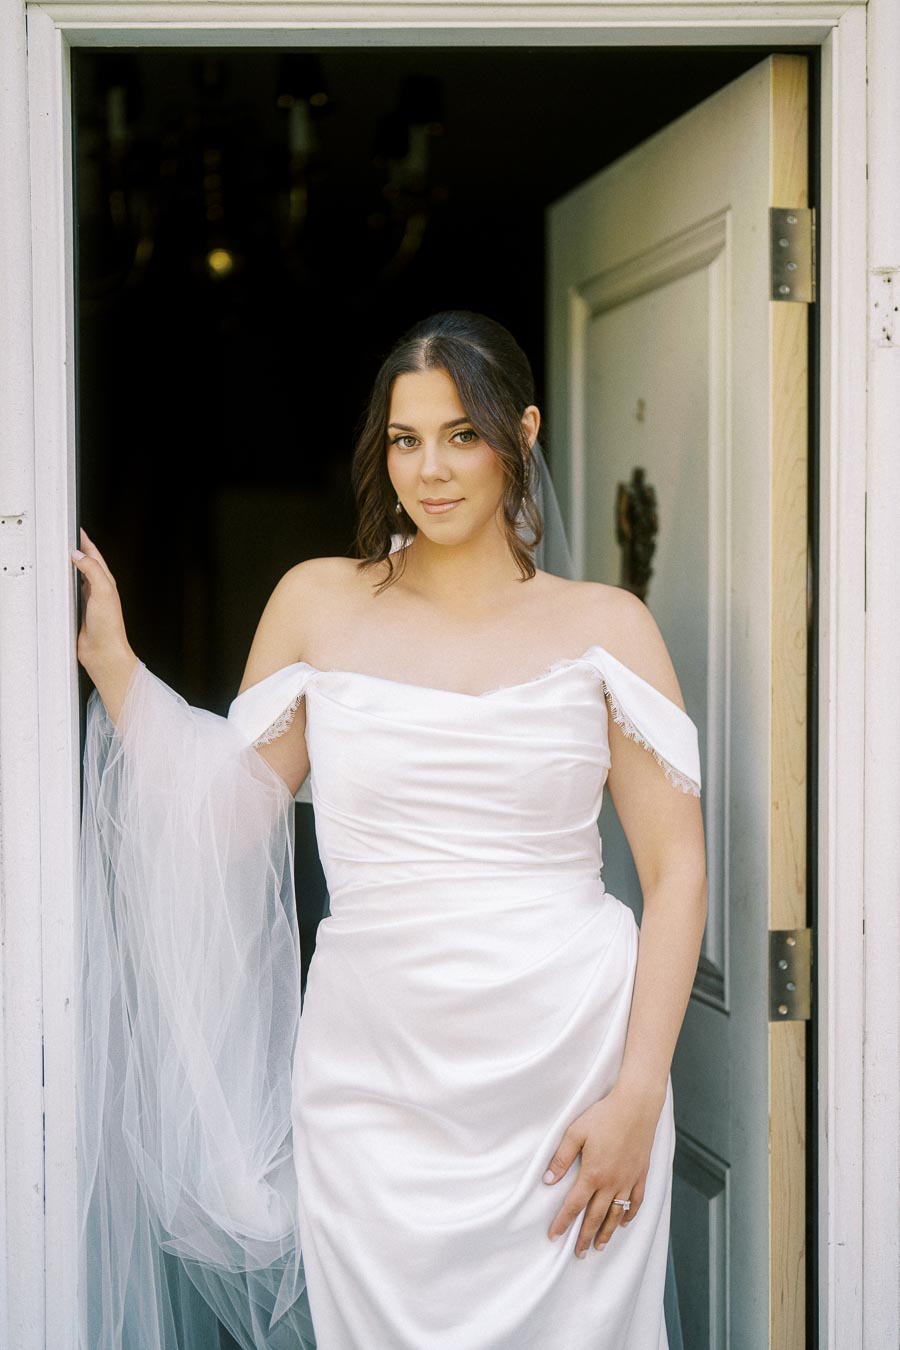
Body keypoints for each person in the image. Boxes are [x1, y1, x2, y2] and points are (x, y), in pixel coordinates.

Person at [71, 309, 707, 1350]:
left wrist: (638, 1095)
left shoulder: (609, 628)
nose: (432, 469)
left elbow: (676, 871)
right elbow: (230, 823)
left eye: (463, 434)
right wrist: (115, 667)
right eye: (406, 440)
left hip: (571, 1071)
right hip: (372, 1084)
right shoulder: (317, 603)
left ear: (524, 433)